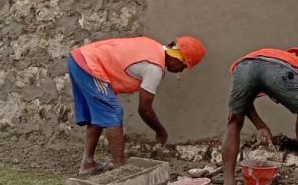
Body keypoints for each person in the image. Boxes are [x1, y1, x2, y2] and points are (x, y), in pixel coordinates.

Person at [67, 35, 206, 174]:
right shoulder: (154, 68)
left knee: (99, 113)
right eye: (183, 66)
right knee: (113, 112)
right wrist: (160, 131)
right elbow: (144, 108)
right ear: (176, 57)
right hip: (89, 63)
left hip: (80, 58)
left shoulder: (153, 47)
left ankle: (88, 163)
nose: (181, 70)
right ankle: (120, 170)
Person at [221, 46, 298, 185]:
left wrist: (260, 125)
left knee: (234, 121)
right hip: (276, 70)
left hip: (244, 66)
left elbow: (244, 103)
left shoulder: (273, 56)